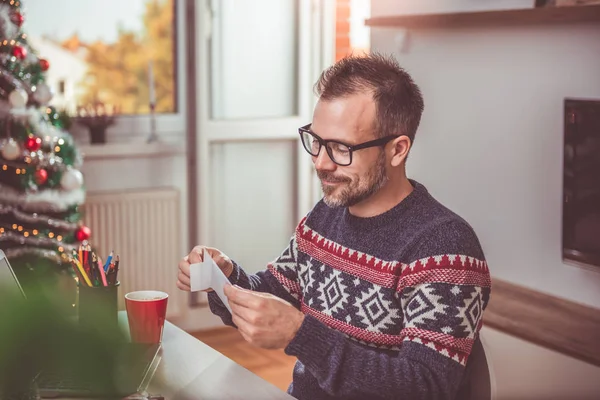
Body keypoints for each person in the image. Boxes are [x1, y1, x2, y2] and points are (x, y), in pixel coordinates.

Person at [177, 53, 491, 400]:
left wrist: (302, 334)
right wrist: (224, 279)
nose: (321, 163)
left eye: (342, 148)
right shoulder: (324, 218)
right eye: (317, 141)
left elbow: (425, 388)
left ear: (398, 150)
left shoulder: (444, 247)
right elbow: (273, 295)